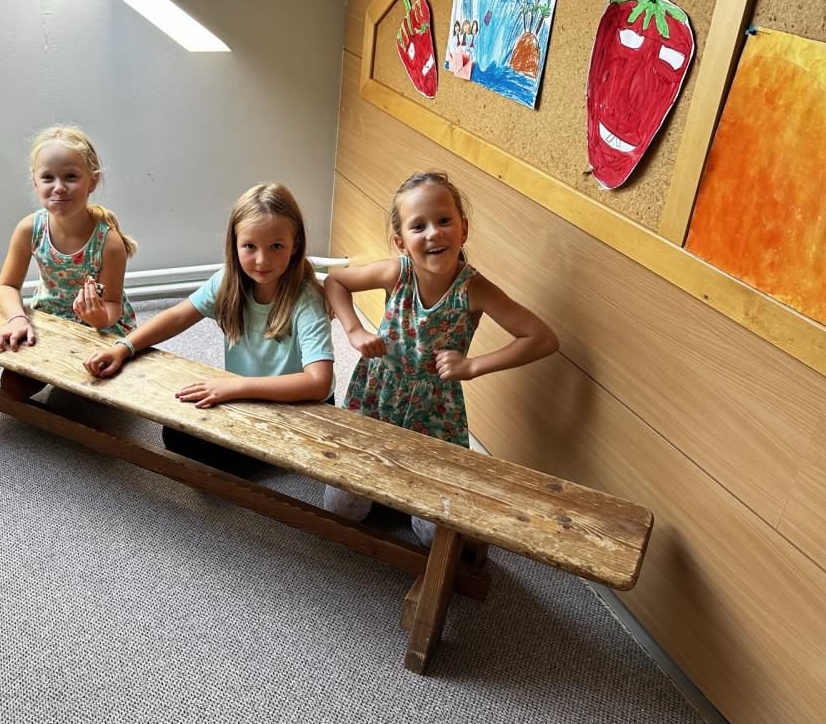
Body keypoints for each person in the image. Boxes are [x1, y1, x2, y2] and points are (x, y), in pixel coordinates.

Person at [321, 171, 558, 545]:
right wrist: (354, 330)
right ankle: (379, 487)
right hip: (378, 398)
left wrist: (473, 366)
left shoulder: (474, 288)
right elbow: (335, 282)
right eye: (419, 226)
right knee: (340, 509)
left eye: (444, 220)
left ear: (463, 229)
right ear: (401, 242)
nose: (433, 233)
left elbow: (542, 338)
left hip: (433, 412)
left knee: (436, 537)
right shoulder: (396, 273)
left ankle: (409, 495)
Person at [83, 182, 334, 472]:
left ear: (295, 245)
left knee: (196, 446)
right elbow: (178, 316)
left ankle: (272, 458)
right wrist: (124, 346)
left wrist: (235, 387)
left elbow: (318, 383)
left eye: (276, 246)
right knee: (176, 434)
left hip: (301, 406)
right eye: (250, 246)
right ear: (235, 243)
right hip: (250, 394)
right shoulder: (229, 280)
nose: (262, 260)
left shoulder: (306, 300)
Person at [0, 124, 137, 400]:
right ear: (35, 183)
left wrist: (99, 318)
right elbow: (7, 285)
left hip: (99, 327)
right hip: (49, 319)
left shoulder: (109, 242)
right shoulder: (29, 229)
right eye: (48, 178)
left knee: (97, 395)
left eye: (70, 176)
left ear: (92, 182)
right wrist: (17, 319)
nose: (59, 187)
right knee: (13, 386)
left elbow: (113, 304)